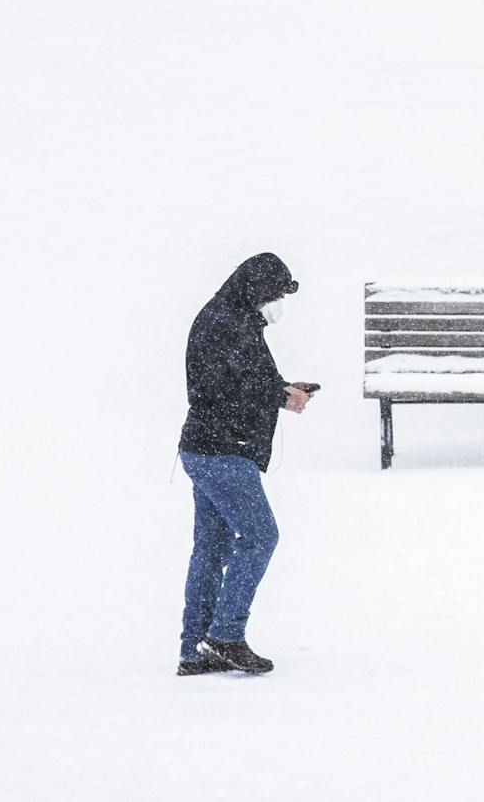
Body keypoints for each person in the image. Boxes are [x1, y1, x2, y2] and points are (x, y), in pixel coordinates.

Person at [175, 252, 318, 676]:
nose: (278, 304)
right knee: (259, 536)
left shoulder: (232, 318)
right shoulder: (225, 323)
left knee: (212, 547)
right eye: (276, 294)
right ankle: (225, 636)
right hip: (221, 451)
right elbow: (222, 388)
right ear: (255, 290)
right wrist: (278, 396)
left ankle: (196, 649)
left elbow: (243, 376)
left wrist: (282, 388)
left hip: (209, 448)